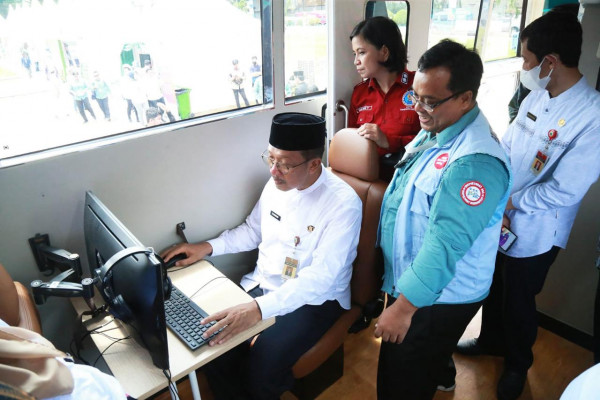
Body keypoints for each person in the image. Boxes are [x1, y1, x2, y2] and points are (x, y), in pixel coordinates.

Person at [161, 112, 362, 399]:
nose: (274, 171)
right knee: (215, 346)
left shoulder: (343, 204)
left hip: (315, 301)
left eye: (285, 164)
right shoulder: (277, 184)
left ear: (314, 164)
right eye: (271, 159)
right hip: (263, 283)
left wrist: (257, 310)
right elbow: (252, 231)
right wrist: (206, 247)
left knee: (263, 366)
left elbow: (321, 279)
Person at [456, 12, 600, 400]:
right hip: (502, 213)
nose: (524, 68)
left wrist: (511, 203)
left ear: (550, 62)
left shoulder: (593, 115)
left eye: (527, 59)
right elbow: (511, 147)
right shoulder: (536, 96)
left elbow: (565, 191)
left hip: (537, 229)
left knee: (519, 298)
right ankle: (490, 340)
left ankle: (518, 364)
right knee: (494, 283)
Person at [374, 40, 511, 400]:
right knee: (422, 363)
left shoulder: (474, 164)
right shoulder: (439, 124)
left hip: (436, 297)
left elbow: (445, 246)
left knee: (400, 381)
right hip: (417, 283)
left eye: (429, 101)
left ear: (465, 98)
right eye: (415, 96)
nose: (418, 108)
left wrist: (403, 307)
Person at [348, 16, 421, 180]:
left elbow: (433, 141)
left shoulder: (419, 86)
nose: (356, 61)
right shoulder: (359, 94)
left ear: (384, 52)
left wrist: (389, 141)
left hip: (408, 178)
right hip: (368, 179)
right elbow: (352, 143)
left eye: (361, 52)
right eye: (354, 54)